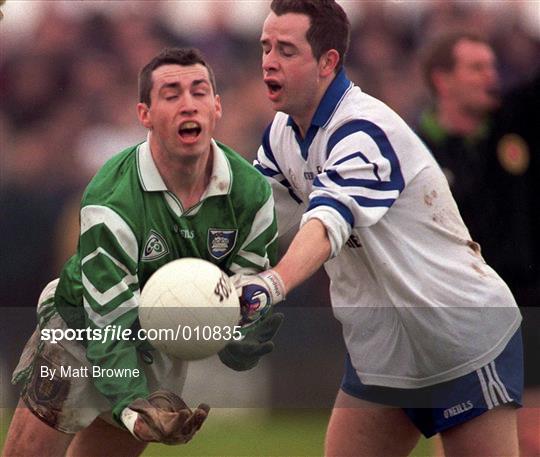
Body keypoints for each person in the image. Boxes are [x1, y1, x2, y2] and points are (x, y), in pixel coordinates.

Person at [235, 1, 523, 456]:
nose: (269, 60)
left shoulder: (364, 130)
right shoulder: (280, 135)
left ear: (328, 61)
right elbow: (251, 225)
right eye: (266, 46)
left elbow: (325, 223)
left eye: (286, 50)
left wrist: (273, 283)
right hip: (383, 351)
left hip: (459, 339)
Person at [2, 47, 282, 457]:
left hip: (164, 339)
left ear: (217, 107)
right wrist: (132, 408)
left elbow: (245, 290)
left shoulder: (252, 193)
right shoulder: (111, 196)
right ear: (145, 114)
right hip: (83, 326)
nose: (189, 104)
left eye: (199, 92)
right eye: (171, 93)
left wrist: (239, 334)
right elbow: (108, 322)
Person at [419, 34, 540, 456]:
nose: (492, 76)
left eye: (493, 66)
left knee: (531, 437)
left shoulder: (514, 122)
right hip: (456, 317)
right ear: (443, 80)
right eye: (477, 68)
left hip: (525, 305)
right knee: (459, 434)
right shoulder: (415, 148)